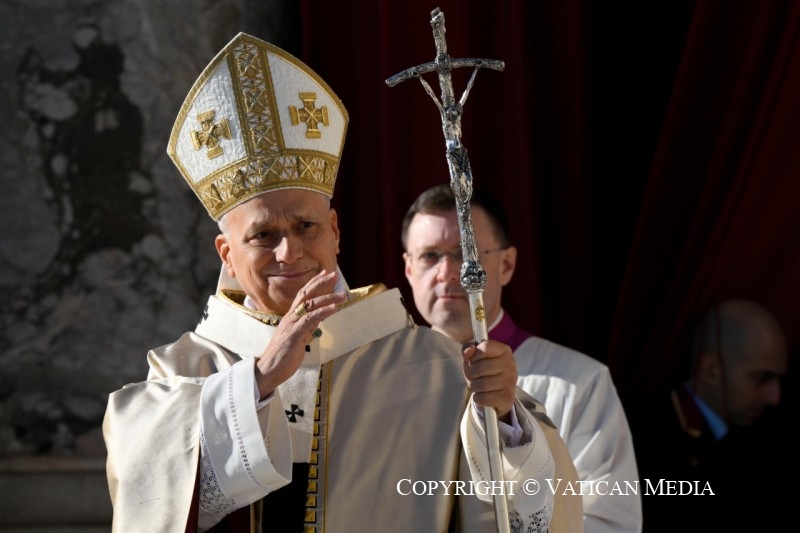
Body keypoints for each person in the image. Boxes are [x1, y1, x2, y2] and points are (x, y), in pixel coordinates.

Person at [102, 33, 585, 532]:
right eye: (264, 235)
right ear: (226, 252)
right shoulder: (183, 370)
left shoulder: (436, 368)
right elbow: (150, 493)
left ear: (334, 231)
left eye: (305, 227)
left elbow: (528, 516)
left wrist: (505, 421)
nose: (289, 252)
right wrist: (262, 378)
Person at [401, 184, 642, 533]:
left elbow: (611, 522)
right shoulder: (390, 384)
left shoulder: (579, 383)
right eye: (429, 256)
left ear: (507, 264)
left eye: (464, 254)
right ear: (408, 269)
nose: (447, 272)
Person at [629, 299, 790, 532]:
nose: (775, 397)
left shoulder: (770, 437)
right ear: (711, 370)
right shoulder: (647, 439)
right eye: (762, 379)